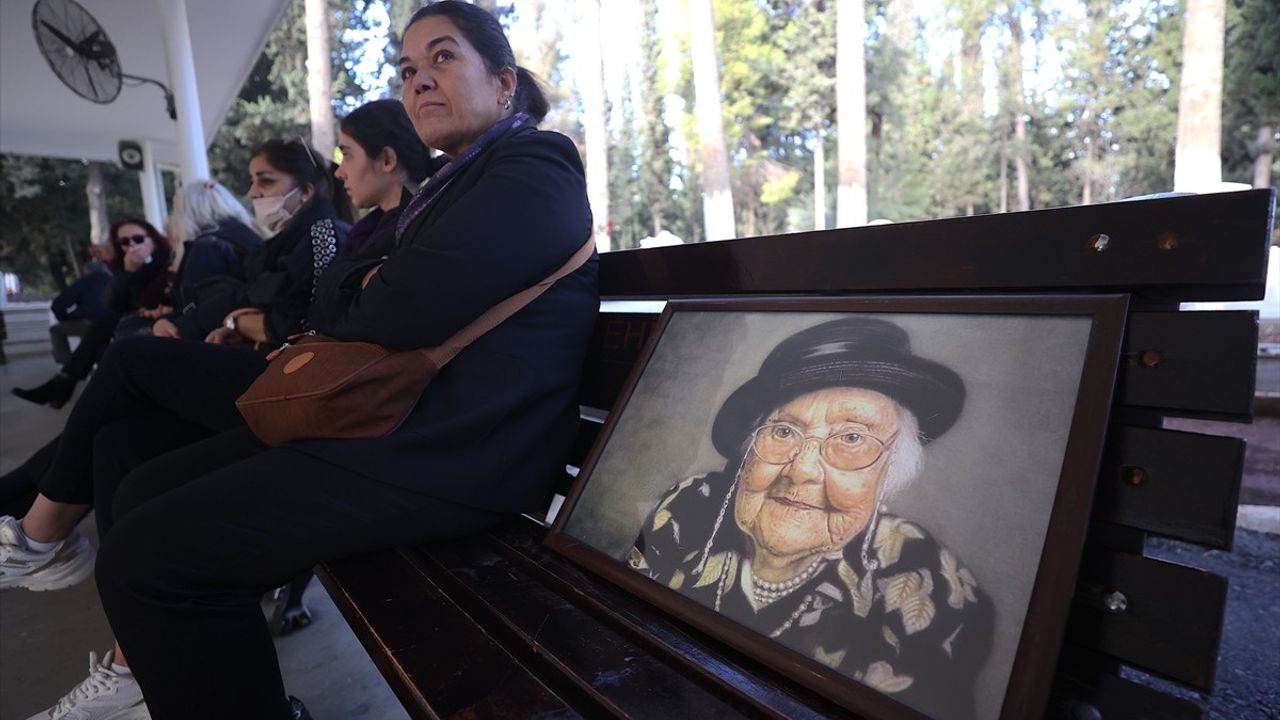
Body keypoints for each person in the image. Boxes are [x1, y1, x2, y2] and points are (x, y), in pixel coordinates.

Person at [6, 34, 588, 713]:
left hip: (461, 449)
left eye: (443, 58)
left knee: (147, 555)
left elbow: (389, 310)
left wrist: (360, 294)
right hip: (397, 419)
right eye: (406, 69)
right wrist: (364, 292)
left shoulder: (535, 162)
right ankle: (159, 677)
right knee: (140, 485)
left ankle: (47, 547)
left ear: (504, 83)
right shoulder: (456, 190)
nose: (419, 80)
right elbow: (353, 300)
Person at [629, 318, 994, 720]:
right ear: (750, 448)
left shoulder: (929, 584)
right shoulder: (689, 506)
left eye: (852, 438)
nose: (802, 470)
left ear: (891, 471)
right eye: (783, 431)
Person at [13, 219, 173, 409]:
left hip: (159, 319)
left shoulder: (168, 261)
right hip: (131, 320)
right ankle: (85, 398)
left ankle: (65, 386)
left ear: (153, 238)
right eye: (124, 242)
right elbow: (114, 304)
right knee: (100, 344)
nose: (132, 245)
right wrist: (128, 272)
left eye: (138, 239)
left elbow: (156, 298)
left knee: (101, 329)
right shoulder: (128, 268)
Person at [334, 98, 437, 258]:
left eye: (347, 156)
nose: (339, 173)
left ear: (387, 160)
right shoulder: (366, 232)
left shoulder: (420, 239)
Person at [47, 259, 113, 364]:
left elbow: (58, 304)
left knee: (55, 330)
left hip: (90, 322)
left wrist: (64, 319)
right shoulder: (113, 280)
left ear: (87, 271)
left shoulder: (85, 282)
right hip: (114, 322)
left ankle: (69, 363)